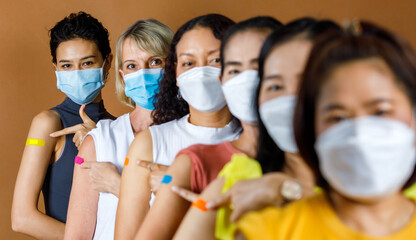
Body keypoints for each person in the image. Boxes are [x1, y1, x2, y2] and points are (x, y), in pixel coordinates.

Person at [237, 21, 416, 240]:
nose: (359, 135)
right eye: (337, 118)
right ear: (311, 129)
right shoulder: (267, 233)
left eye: (380, 112)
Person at [172, 18, 341, 240]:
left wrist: (287, 191)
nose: (290, 98)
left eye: (306, 82)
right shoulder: (238, 181)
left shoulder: (385, 170)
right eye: (275, 86)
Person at [134, 16, 282, 240]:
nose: (248, 78)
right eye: (235, 69)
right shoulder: (195, 164)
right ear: (224, 82)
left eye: (214, 60)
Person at [115, 14, 240, 239]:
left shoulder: (257, 141)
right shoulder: (149, 144)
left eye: (215, 60)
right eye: (189, 63)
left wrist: (179, 190)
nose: (200, 72)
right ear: (175, 72)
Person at [64, 19, 173, 240]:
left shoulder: (196, 135)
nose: (143, 73)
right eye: (132, 65)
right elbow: (76, 236)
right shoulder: (99, 140)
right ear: (123, 75)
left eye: (154, 61)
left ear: (174, 66)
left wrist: (119, 186)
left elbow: (194, 224)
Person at [11, 12, 114, 239]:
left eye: (87, 63)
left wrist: (101, 141)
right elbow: (22, 218)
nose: (77, 73)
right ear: (56, 69)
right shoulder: (48, 123)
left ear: (108, 63)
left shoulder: (119, 127)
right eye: (66, 65)